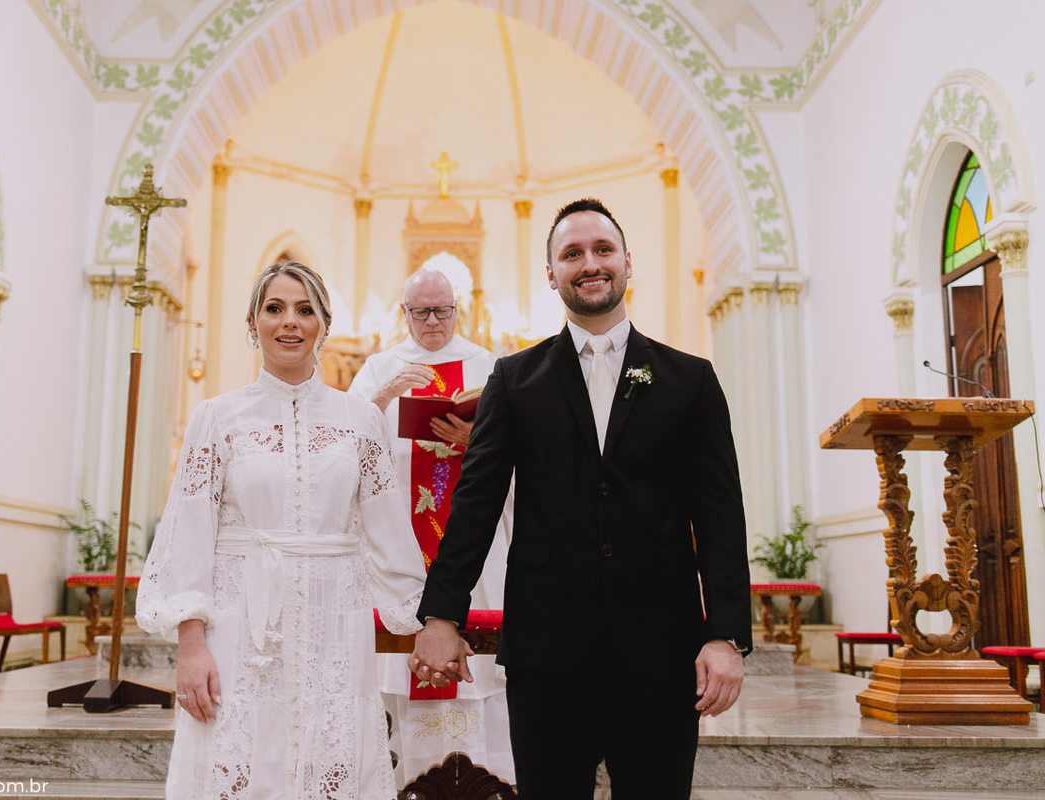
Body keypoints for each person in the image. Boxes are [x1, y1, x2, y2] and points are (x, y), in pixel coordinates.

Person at [410, 198, 752, 798]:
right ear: (552, 274)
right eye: (572, 253)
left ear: (627, 262)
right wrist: (442, 615)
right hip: (548, 654)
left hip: (661, 652)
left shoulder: (689, 379)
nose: (589, 263)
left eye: (602, 249)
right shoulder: (515, 379)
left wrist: (725, 636)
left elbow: (720, 516)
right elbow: (475, 505)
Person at [137, 260, 426, 800]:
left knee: (332, 754)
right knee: (242, 756)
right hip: (239, 628)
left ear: (324, 325)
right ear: (253, 324)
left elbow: (390, 533)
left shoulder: (361, 420)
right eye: (275, 308)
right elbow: (189, 536)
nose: (290, 321)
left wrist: (428, 620)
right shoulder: (216, 417)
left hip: (335, 626)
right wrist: (191, 647)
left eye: (304, 309)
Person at [347, 268, 513, 785]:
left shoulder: (489, 366)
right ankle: (404, 783)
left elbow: (526, 451)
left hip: (473, 543)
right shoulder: (379, 368)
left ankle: (487, 781)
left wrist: (474, 441)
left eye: (443, 311)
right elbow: (340, 445)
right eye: (421, 312)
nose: (433, 322)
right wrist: (382, 396)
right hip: (400, 540)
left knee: (481, 670)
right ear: (404, 313)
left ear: (458, 310)